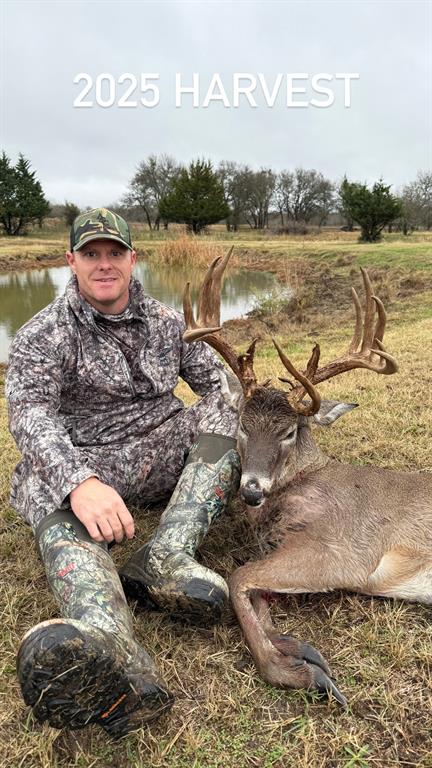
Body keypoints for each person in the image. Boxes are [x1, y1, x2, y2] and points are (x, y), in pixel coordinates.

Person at [6, 208, 240, 738]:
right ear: (71, 261)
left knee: (227, 405)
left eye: (115, 253)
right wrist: (78, 482)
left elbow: (217, 383)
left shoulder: (167, 323)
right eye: (92, 254)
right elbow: (30, 414)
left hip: (160, 448)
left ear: (133, 259)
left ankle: (166, 556)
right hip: (86, 465)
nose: (104, 264)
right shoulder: (42, 334)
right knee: (41, 482)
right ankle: (115, 656)